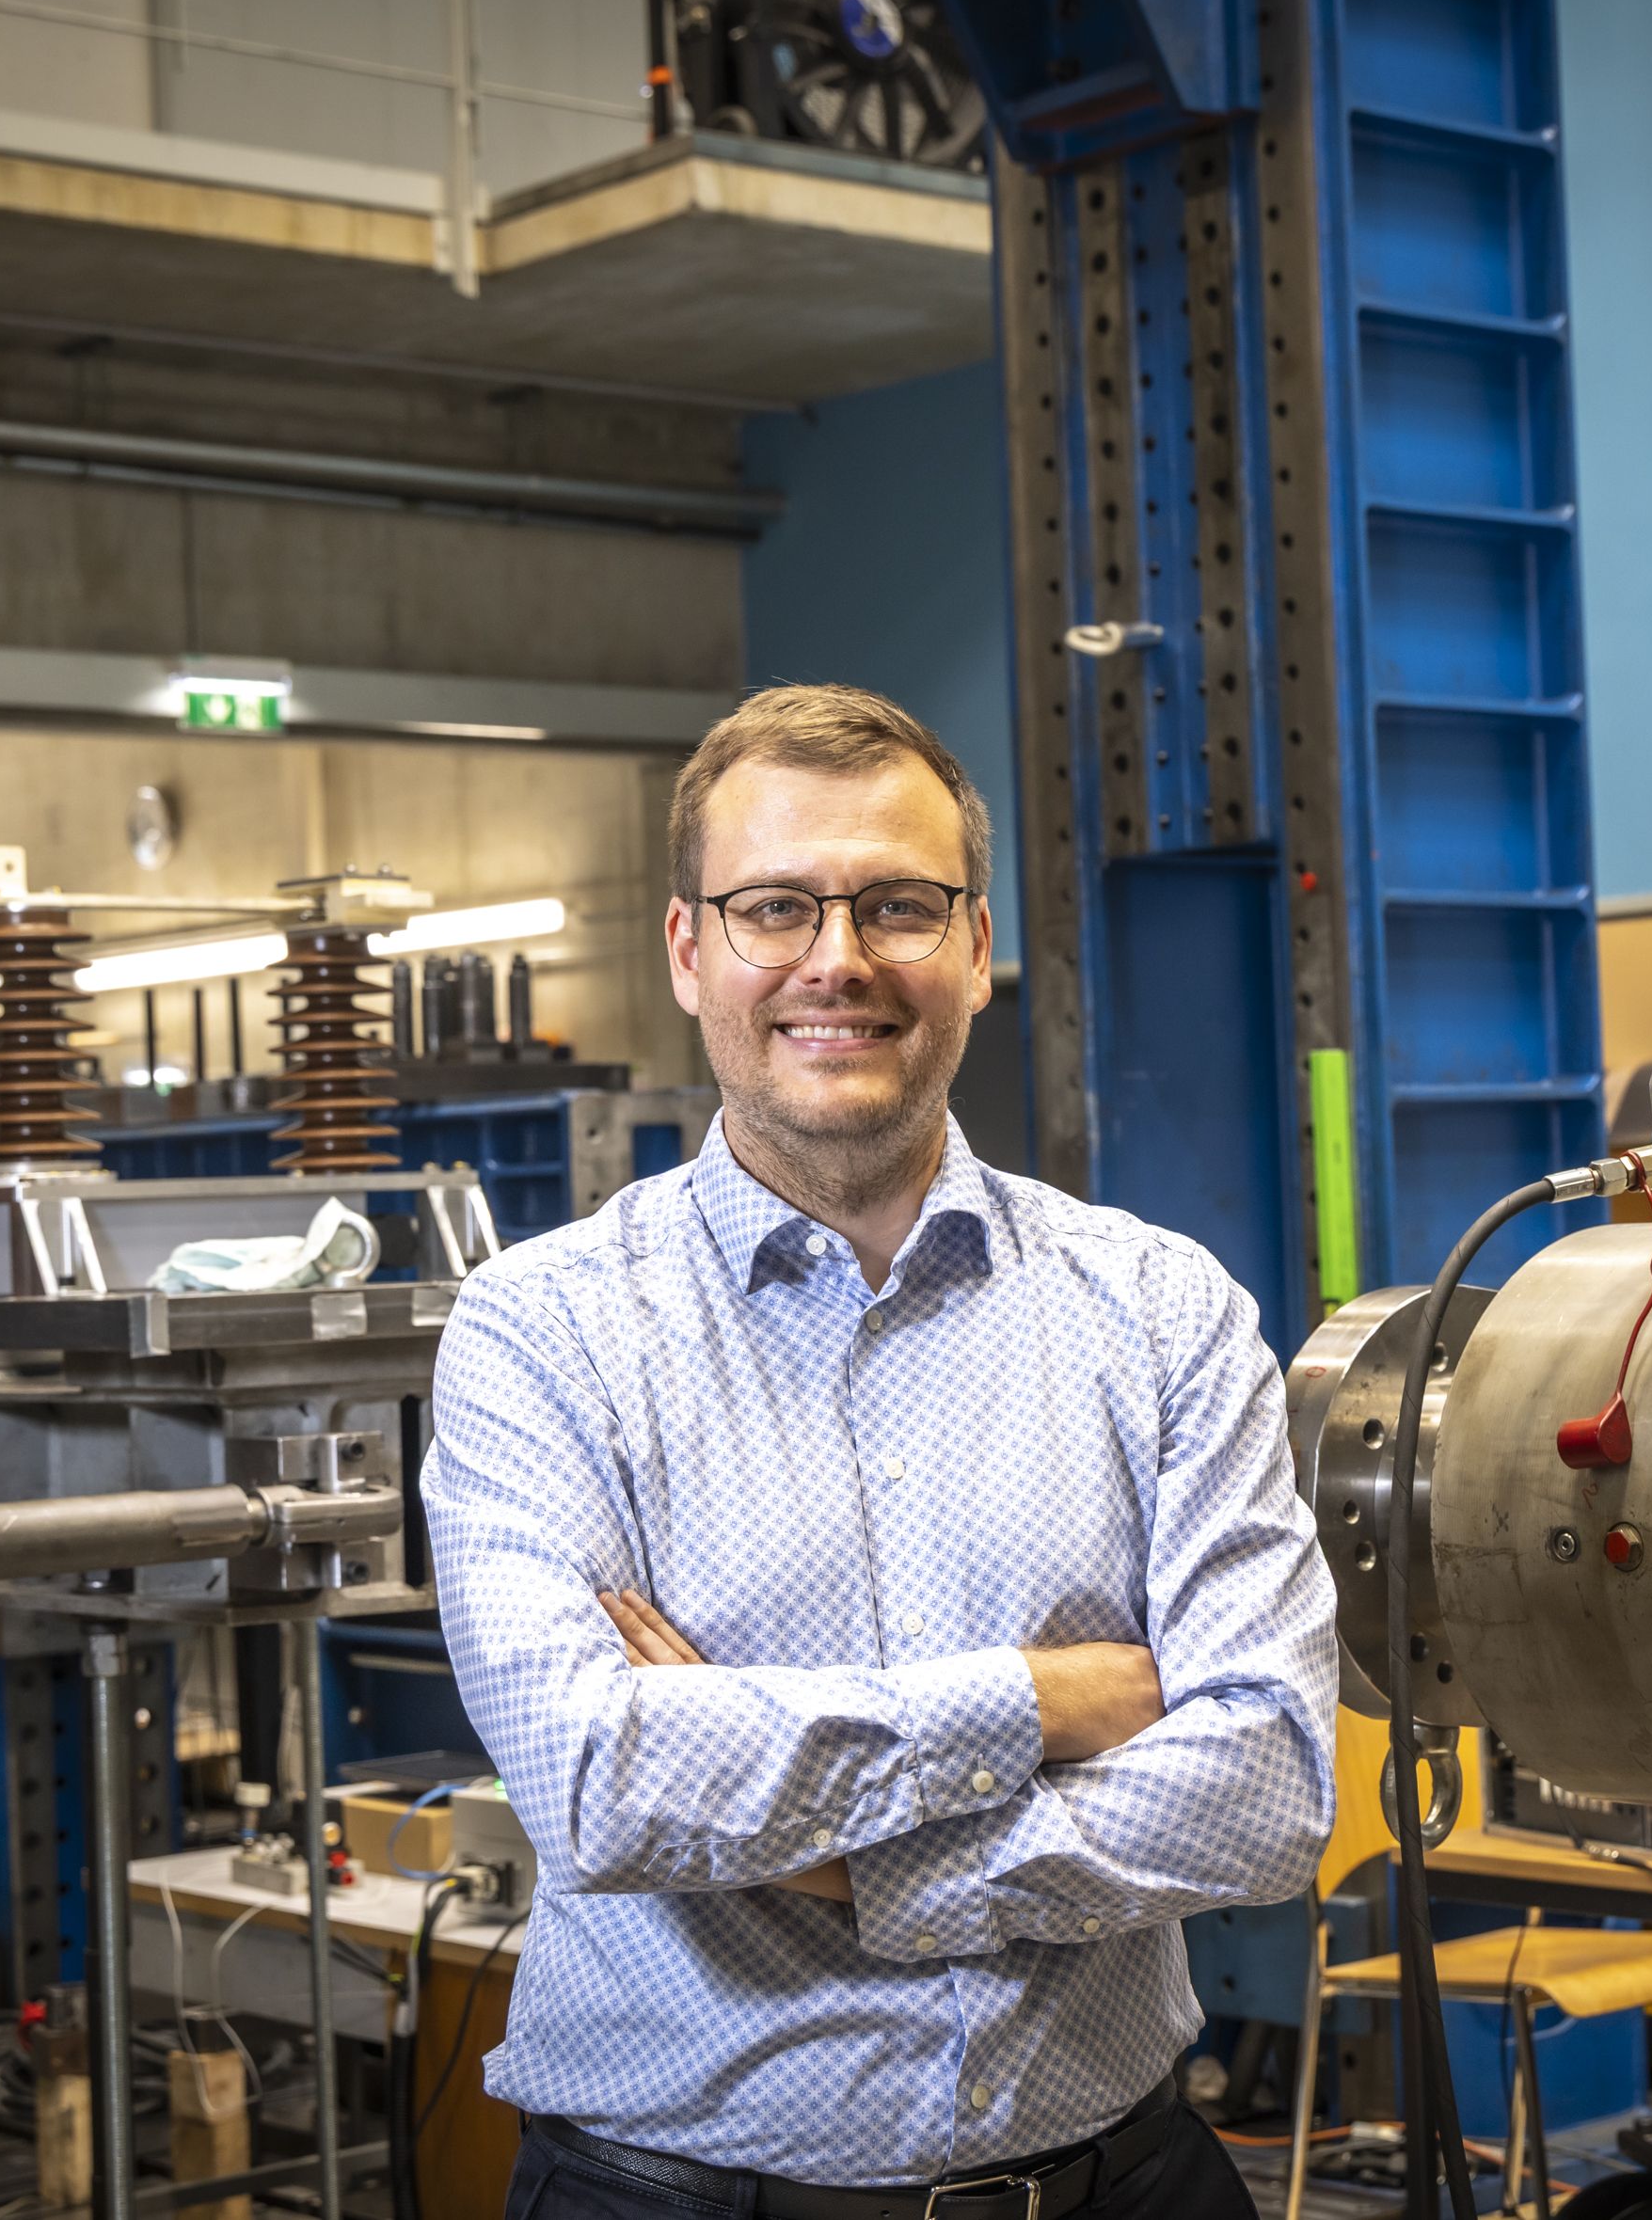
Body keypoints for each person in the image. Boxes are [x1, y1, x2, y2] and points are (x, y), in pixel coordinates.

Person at [422, 683, 1341, 2217]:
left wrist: (837, 1857)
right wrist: (1043, 1702)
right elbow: (597, 1781)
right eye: (774, 906)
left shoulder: (1162, 1310)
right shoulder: (542, 1333)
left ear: (976, 947)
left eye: (899, 906)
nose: (837, 960)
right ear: (688, 951)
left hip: (1128, 2186)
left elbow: (1268, 1784)